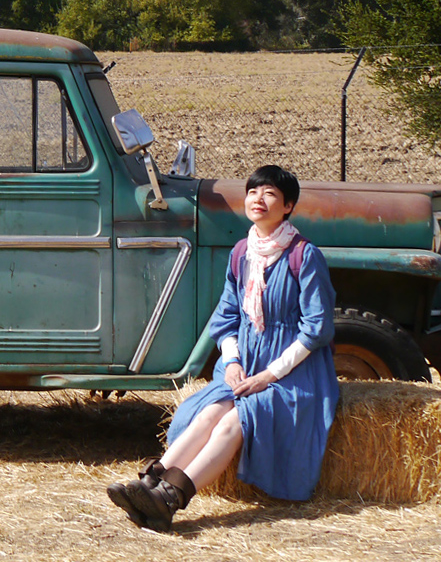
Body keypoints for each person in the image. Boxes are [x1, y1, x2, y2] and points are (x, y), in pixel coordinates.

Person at [106, 164, 339, 531]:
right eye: (252, 192)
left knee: (234, 421)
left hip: (292, 375)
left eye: (270, 194)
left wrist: (268, 375)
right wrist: (231, 363)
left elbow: (317, 329)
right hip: (244, 366)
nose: (258, 199)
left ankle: (170, 499)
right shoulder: (242, 252)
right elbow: (226, 317)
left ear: (289, 206)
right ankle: (150, 482)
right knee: (208, 414)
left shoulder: (304, 256)